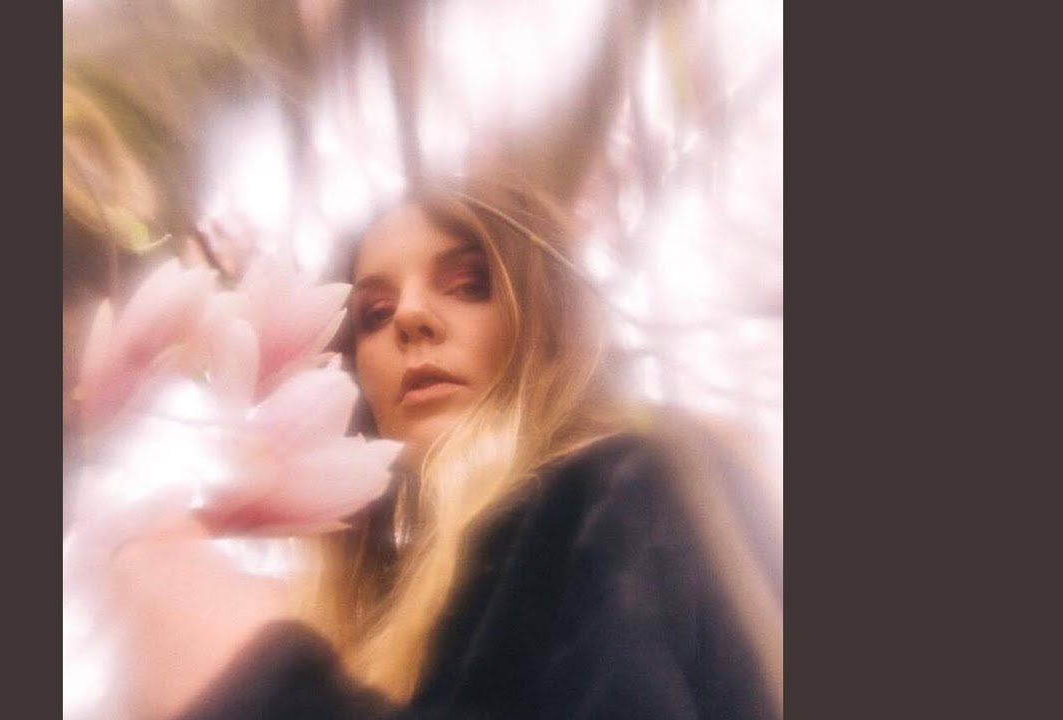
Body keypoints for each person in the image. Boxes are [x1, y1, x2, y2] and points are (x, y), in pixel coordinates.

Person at [108, 177, 782, 720]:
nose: (409, 317)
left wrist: (259, 684)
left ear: (546, 324)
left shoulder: (639, 486)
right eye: (374, 315)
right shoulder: (408, 621)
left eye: (467, 285)